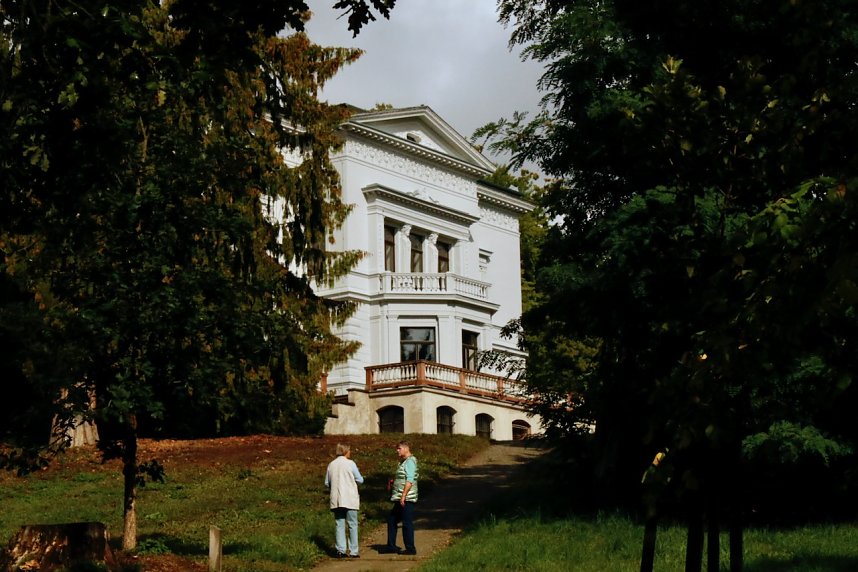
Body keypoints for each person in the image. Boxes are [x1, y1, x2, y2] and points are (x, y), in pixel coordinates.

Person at [325, 443, 364, 558]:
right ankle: (353, 551)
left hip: (336, 499)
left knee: (339, 524)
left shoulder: (331, 465)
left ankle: (340, 550)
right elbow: (360, 479)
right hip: (349, 498)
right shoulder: (350, 463)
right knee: (352, 524)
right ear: (346, 451)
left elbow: (327, 483)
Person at [380, 440, 419, 555]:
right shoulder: (403, 462)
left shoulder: (410, 462)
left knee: (407, 523)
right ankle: (391, 546)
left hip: (407, 498)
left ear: (406, 449)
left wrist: (403, 496)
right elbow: (403, 477)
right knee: (392, 520)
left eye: (399, 448)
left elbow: (410, 480)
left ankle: (410, 548)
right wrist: (394, 481)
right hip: (400, 498)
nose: (397, 451)